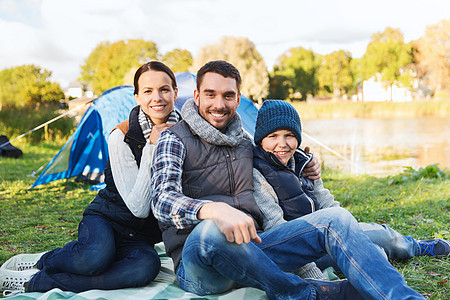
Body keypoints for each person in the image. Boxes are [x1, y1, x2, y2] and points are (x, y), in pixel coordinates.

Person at [151, 60, 424, 299]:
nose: (219, 104)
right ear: (196, 95)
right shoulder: (173, 138)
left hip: (257, 247)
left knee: (337, 220)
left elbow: (277, 157)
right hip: (201, 265)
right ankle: (301, 292)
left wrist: (304, 162)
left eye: (228, 95)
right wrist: (213, 210)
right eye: (210, 94)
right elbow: (161, 200)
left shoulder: (245, 142)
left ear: (238, 97)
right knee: (211, 230)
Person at [0, 61, 182, 296]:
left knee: (144, 268)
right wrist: (152, 148)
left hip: (140, 237)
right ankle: (45, 261)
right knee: (94, 257)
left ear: (175, 92)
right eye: (148, 91)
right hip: (106, 220)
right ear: (137, 97)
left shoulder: (185, 135)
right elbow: (138, 207)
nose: (157, 97)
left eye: (164, 89)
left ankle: (38, 281)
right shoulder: (122, 135)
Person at [252, 99, 450, 278]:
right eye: (273, 136)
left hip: (330, 233)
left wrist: (351, 230)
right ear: (261, 140)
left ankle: (414, 246)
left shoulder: (303, 163)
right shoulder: (257, 174)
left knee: (383, 235)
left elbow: (326, 201)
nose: (282, 144)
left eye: (289, 135)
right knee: (374, 253)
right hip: (304, 253)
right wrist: (314, 276)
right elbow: (278, 230)